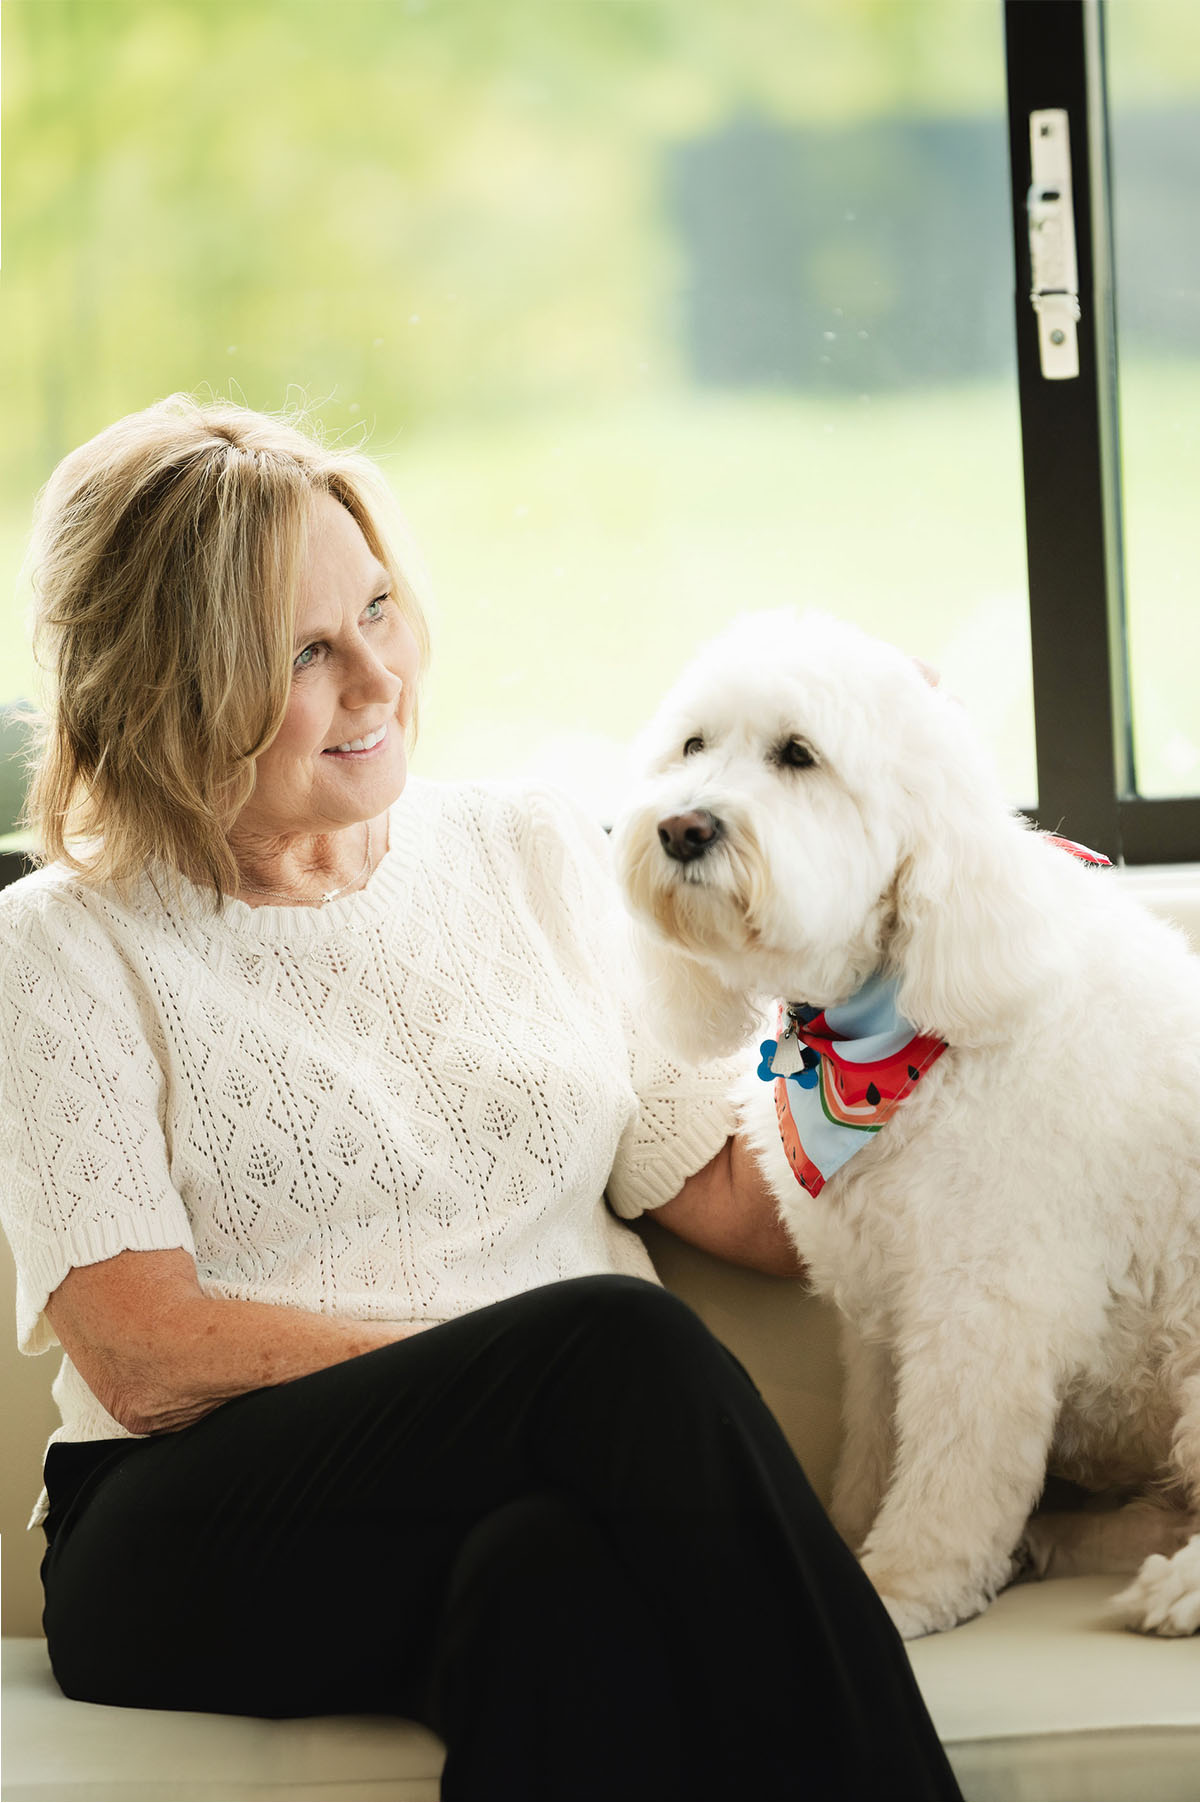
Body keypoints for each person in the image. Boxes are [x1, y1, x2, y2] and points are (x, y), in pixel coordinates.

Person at [0, 396, 960, 1802]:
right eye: (306, 652)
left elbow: (747, 1199)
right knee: (608, 1348)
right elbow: (146, 1355)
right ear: (170, 686)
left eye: (378, 610)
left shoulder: (533, 853)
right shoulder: (58, 946)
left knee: (550, 1593)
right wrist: (514, 1382)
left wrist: (907, 944)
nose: (379, 681)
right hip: (190, 1531)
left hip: (528, 1495)